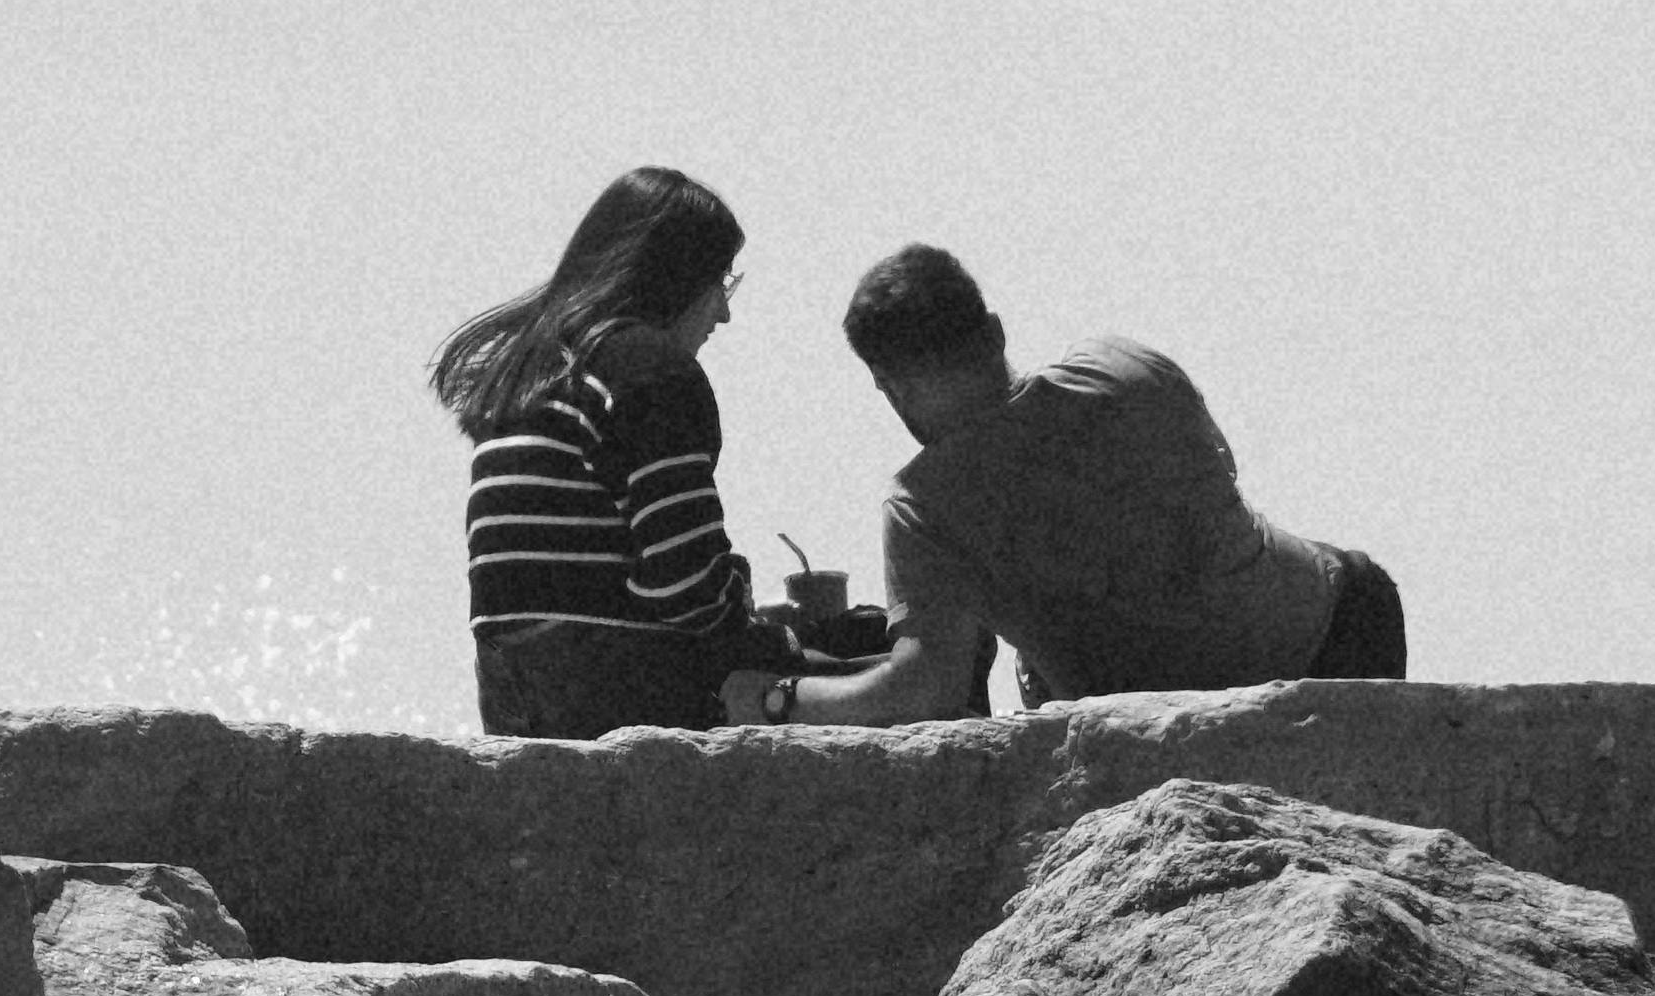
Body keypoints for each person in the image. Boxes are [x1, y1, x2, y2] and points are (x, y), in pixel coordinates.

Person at [816, 243, 1405, 720]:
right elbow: (1217, 477)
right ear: (994, 333)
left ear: (889, 386)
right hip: (1341, 623)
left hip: (1177, 718)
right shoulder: (1120, 366)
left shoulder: (924, 506)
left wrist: (778, 697)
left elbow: (927, 689)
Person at [433, 165, 793, 740]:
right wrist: (777, 635)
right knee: (869, 674)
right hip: (617, 687)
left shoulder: (529, 376)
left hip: (513, 696)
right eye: (720, 282)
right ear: (677, 277)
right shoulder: (649, 369)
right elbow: (688, 591)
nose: (724, 312)